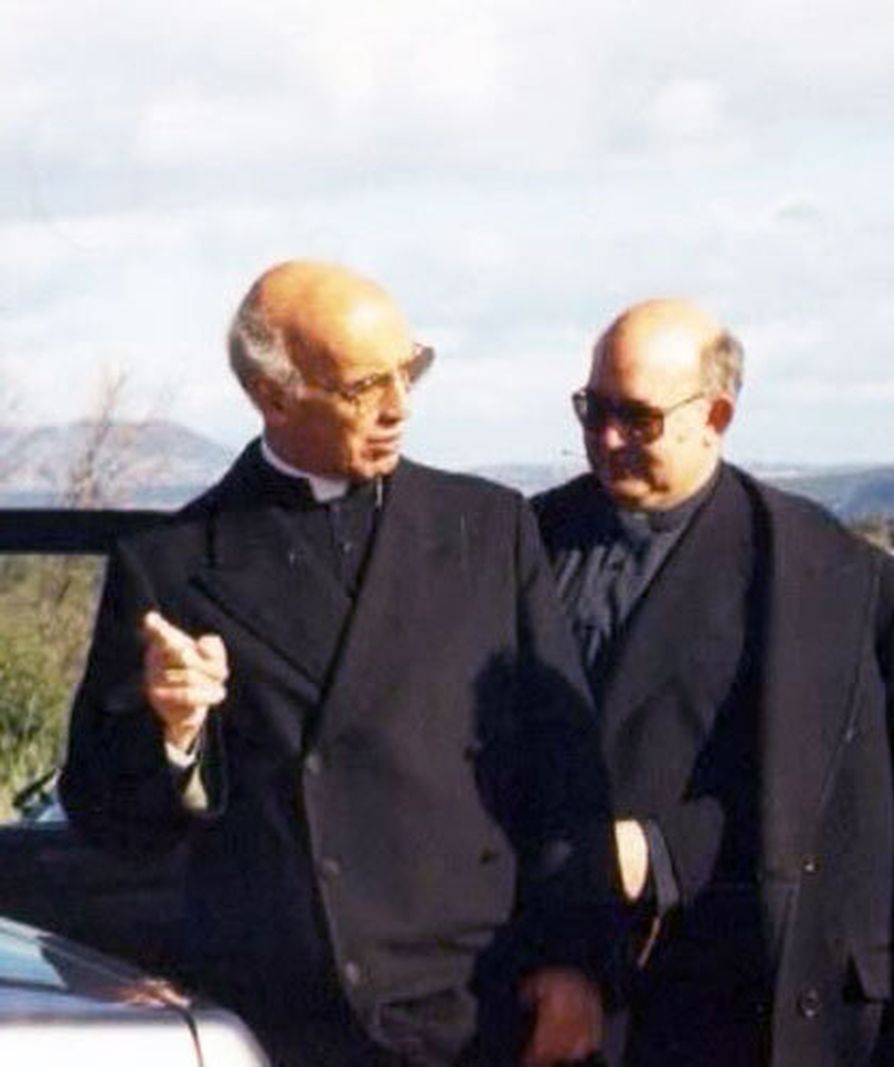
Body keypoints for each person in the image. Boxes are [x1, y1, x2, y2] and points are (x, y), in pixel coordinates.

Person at [61, 260, 618, 1065]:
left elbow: (566, 770)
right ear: (274, 395)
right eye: (363, 387)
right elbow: (110, 820)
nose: (398, 407)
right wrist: (173, 731)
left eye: (409, 370)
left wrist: (576, 961)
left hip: (481, 1008)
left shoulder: (488, 529)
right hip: (289, 1021)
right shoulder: (173, 564)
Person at [531, 298, 894, 1065]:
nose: (606, 439)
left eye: (637, 418)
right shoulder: (524, 543)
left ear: (717, 415)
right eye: (591, 410)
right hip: (548, 994)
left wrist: (664, 849)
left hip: (734, 1007)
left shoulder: (833, 581)